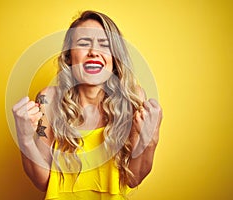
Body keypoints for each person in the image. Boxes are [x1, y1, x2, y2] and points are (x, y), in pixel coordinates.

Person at [12, 10, 163, 200]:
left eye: (104, 44)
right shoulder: (47, 100)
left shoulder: (133, 99)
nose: (94, 52)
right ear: (69, 56)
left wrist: (151, 140)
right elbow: (43, 181)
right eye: (83, 43)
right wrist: (25, 139)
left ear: (115, 58)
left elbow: (133, 179)